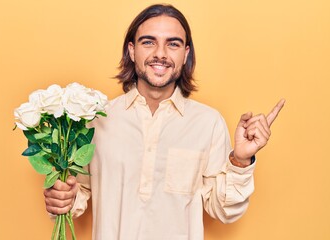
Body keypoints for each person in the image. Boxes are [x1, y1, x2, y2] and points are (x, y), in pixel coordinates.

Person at [44, 4, 285, 239]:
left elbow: (223, 210)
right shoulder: (95, 119)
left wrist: (240, 161)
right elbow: (78, 194)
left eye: (173, 44)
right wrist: (62, 197)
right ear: (131, 50)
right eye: (148, 42)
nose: (160, 53)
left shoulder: (208, 123)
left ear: (186, 54)